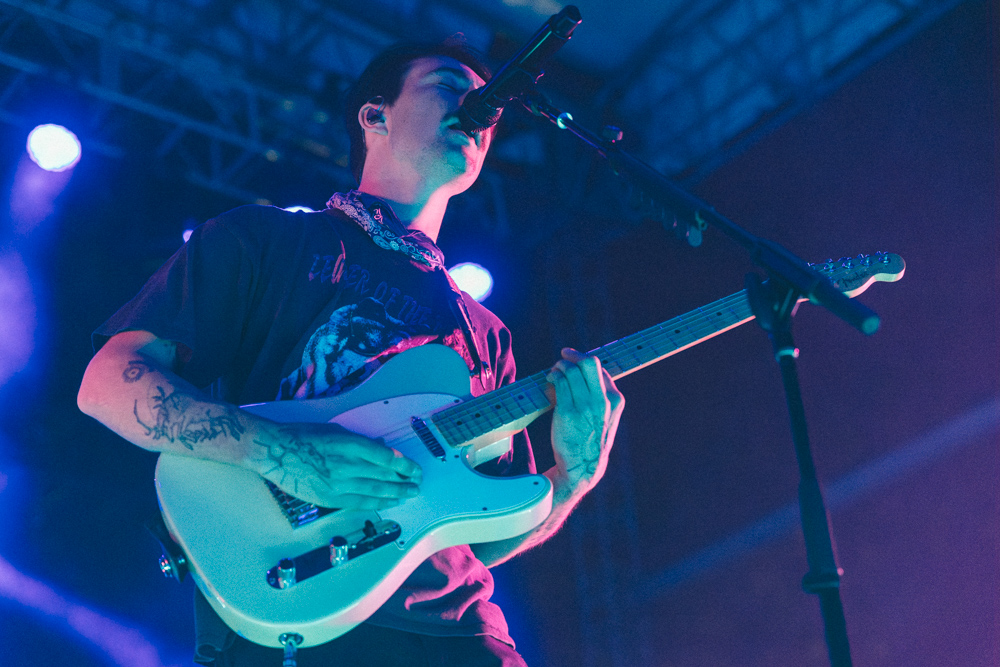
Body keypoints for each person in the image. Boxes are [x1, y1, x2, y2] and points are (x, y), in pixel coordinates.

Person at [77, 39, 624, 667]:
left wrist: (574, 476)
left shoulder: (485, 332)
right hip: (296, 605)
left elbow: (475, 527)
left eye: (488, 107)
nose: (478, 109)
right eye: (448, 85)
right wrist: (283, 454)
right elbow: (108, 383)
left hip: (464, 632)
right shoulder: (266, 239)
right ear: (375, 116)